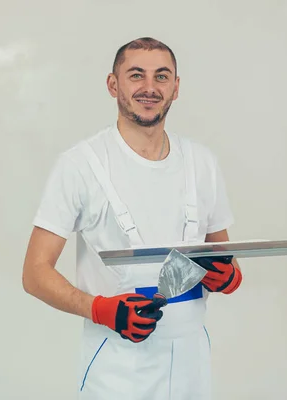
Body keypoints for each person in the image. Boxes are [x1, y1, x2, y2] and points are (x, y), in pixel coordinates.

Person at [22, 37, 243, 400]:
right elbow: (35, 272)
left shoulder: (201, 163)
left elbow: (226, 256)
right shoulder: (80, 165)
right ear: (114, 85)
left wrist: (229, 276)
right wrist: (99, 309)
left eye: (162, 76)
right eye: (136, 75)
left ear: (176, 87)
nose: (150, 88)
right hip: (118, 367)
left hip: (192, 364)